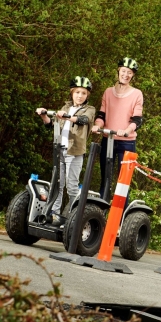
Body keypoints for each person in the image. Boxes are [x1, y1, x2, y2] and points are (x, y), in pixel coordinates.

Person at [35, 76, 96, 220]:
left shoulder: (89, 109)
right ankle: (54, 214)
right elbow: (52, 124)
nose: (80, 96)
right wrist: (43, 115)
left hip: (74, 152)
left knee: (72, 186)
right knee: (58, 184)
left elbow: (84, 120)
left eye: (83, 93)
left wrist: (67, 117)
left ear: (87, 95)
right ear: (72, 92)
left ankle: (74, 216)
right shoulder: (66, 107)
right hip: (60, 150)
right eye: (77, 92)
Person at [91, 57, 144, 200]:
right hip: (108, 140)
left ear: (133, 75)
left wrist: (126, 131)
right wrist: (97, 126)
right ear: (119, 71)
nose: (126, 75)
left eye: (130, 73)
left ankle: (120, 218)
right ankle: (101, 214)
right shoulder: (108, 92)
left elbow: (137, 120)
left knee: (123, 183)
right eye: (124, 71)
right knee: (105, 180)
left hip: (126, 143)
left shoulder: (137, 94)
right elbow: (102, 114)